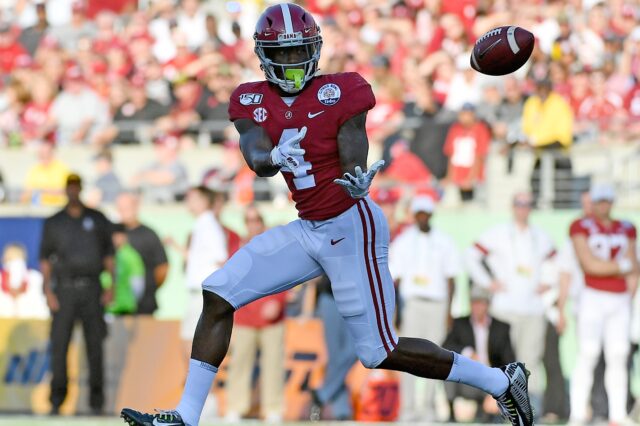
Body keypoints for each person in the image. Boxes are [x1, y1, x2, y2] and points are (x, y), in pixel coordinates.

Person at [121, 5, 534, 426]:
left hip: (351, 223)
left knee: (378, 352)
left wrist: (355, 174)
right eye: (280, 55)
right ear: (263, 56)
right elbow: (254, 153)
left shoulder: (341, 90)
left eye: (297, 51)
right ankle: (187, 417)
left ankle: (501, 383)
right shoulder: (249, 98)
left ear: (315, 49)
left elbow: (353, 140)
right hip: (309, 228)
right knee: (218, 293)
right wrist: (273, 156)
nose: (291, 62)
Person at [465, 192, 557, 412]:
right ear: (512, 206)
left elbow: (557, 263)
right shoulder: (498, 233)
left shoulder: (540, 236)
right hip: (505, 308)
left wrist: (548, 282)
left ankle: (531, 409)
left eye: (527, 204)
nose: (523, 208)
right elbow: (471, 255)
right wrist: (488, 283)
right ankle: (502, 410)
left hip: (533, 309)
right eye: (519, 204)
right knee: (504, 361)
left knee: (531, 361)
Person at [560, 183, 638, 425]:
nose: (603, 205)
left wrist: (623, 277)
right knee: (588, 353)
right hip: (592, 295)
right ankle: (578, 413)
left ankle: (617, 414)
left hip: (620, 298)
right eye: (599, 201)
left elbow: (633, 265)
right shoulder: (580, 226)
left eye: (607, 201)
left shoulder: (626, 228)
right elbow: (589, 264)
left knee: (618, 354)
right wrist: (620, 268)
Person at [40, 173, 113, 415]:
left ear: (80, 189)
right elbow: (45, 261)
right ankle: (57, 400)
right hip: (64, 290)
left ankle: (96, 401)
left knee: (95, 347)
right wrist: (48, 291)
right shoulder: (55, 222)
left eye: (76, 187)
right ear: (65, 190)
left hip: (92, 288)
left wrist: (111, 285)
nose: (73, 191)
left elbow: (109, 256)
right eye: (69, 187)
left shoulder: (97, 218)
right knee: (59, 346)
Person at [389, 195, 461, 421]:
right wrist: (396, 312)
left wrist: (449, 312)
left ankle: (428, 408)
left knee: (435, 357)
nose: (422, 218)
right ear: (414, 215)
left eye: (425, 214)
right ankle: (408, 409)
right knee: (407, 357)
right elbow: (395, 281)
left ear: (430, 215)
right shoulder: (403, 241)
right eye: (418, 213)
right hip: (412, 303)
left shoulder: (444, 241)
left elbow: (451, 280)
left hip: (437, 304)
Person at [225, 205, 287, 423]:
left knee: (273, 364)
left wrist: (278, 302)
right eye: (249, 220)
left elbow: (285, 277)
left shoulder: (275, 248)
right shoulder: (237, 248)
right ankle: (235, 406)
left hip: (272, 319)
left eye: (256, 220)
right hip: (245, 317)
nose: (253, 224)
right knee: (240, 364)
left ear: (262, 222)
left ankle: (273, 408)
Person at [443, 286, 516, 422]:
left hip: (490, 379)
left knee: (495, 417)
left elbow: (509, 361)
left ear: (487, 305)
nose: (477, 307)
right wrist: (468, 352)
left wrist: (497, 390)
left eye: (480, 303)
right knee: (447, 370)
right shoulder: (460, 324)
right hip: (467, 378)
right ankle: (452, 413)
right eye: (474, 303)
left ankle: (489, 412)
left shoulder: (501, 328)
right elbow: (446, 347)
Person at [115, 191, 168, 315]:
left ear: (136, 207)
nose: (123, 211)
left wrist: (149, 288)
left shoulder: (149, 234)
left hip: (144, 304)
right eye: (120, 208)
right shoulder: (112, 233)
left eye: (127, 207)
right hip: (118, 304)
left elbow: (162, 267)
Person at [104, 223, 145, 315]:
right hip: (106, 308)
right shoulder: (106, 254)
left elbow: (137, 284)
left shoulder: (130, 256)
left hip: (125, 307)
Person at [0, 243, 48, 318]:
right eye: (10, 259)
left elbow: (40, 307)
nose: (14, 264)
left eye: (17, 258)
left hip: (29, 322)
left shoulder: (35, 277)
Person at [21, 141, 70, 207]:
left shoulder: (62, 169)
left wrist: (43, 191)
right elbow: (27, 192)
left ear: (52, 153)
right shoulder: (34, 170)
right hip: (39, 208)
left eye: (46, 153)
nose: (43, 156)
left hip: (58, 207)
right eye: (41, 154)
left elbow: (67, 190)